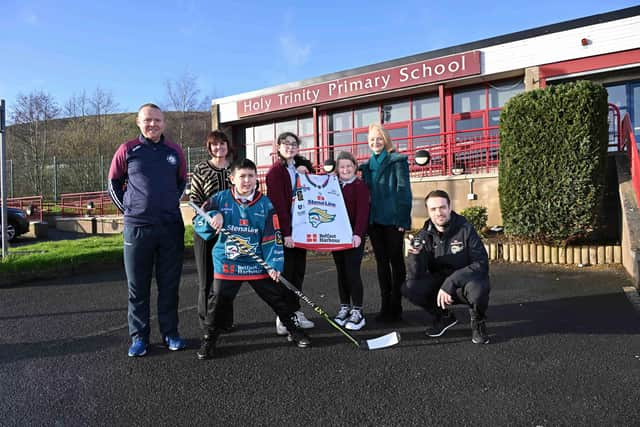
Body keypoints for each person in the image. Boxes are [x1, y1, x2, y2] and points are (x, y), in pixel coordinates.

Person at [193, 158, 311, 360]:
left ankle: (293, 329)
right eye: (242, 176)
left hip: (256, 262)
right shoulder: (220, 199)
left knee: (277, 297)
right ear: (232, 179)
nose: (246, 181)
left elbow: (272, 236)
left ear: (256, 179)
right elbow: (198, 220)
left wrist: (273, 265)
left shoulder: (265, 204)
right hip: (228, 261)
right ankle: (209, 339)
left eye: (251, 176)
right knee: (218, 300)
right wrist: (213, 216)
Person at [108, 103, 187, 357]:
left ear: (163, 122)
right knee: (137, 287)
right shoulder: (128, 149)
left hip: (170, 229)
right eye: (147, 120)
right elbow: (113, 183)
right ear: (138, 122)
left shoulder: (174, 151)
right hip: (137, 229)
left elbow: (182, 182)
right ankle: (139, 338)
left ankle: (170, 334)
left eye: (157, 120)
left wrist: (168, 206)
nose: (152, 124)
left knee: (169, 285)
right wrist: (130, 210)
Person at [402, 189, 491, 344]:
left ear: (450, 207)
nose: (439, 212)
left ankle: (478, 322)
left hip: (463, 283)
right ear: (428, 211)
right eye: (433, 209)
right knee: (409, 287)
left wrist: (451, 282)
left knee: (479, 286)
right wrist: (414, 255)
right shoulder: (424, 235)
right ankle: (443, 316)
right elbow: (415, 275)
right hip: (440, 283)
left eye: (442, 207)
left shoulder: (466, 229)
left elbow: (481, 263)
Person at [359, 123, 412, 323]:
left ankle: (396, 306)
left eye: (379, 138)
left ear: (386, 140)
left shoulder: (397, 161)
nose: (376, 142)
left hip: (393, 221)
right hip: (375, 222)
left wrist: (402, 219)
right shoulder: (366, 167)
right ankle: (385, 306)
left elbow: (404, 191)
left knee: (396, 262)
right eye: (372, 139)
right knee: (381, 264)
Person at [266, 132, 315, 335]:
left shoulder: (301, 166)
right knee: (285, 275)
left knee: (298, 273)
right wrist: (286, 234)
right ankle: (283, 316)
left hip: (302, 230)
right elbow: (278, 206)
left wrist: (307, 172)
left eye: (293, 144)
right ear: (278, 146)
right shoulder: (275, 173)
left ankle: (296, 311)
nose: (290, 147)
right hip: (287, 232)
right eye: (285, 143)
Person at [190, 130, 235, 333]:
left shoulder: (236, 168)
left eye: (222, 143)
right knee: (206, 280)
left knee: (227, 278)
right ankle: (207, 323)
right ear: (209, 147)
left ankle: (225, 321)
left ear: (228, 146)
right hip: (206, 232)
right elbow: (195, 202)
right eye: (215, 144)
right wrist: (214, 215)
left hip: (232, 232)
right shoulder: (201, 169)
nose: (219, 148)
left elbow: (249, 191)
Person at [331, 151, 370, 330]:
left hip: (353, 237)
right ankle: (344, 306)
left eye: (349, 166)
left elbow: (363, 213)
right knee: (341, 273)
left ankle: (358, 311)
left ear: (355, 167)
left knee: (352, 272)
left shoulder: (360, 186)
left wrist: (358, 234)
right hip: (336, 237)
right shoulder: (333, 185)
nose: (345, 169)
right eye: (342, 166)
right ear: (337, 169)